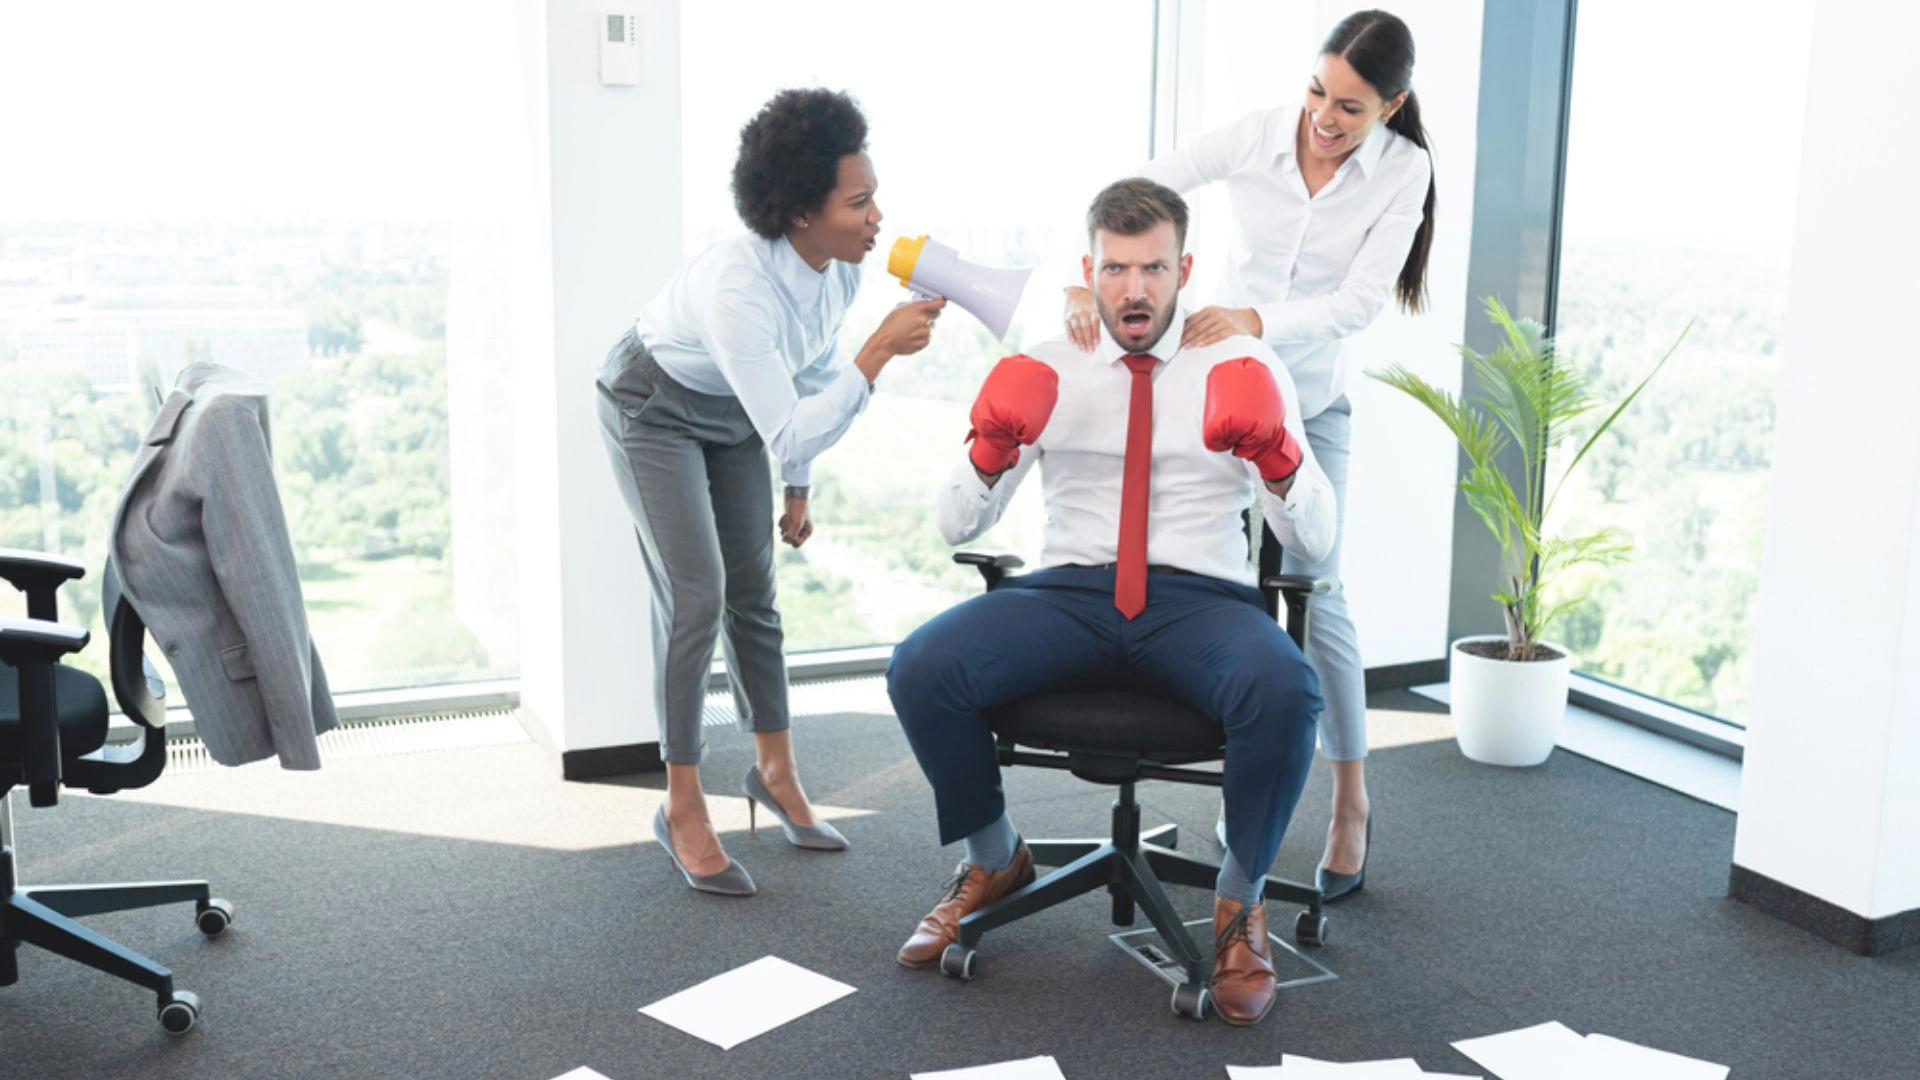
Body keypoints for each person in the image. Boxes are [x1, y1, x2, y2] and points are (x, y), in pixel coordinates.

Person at [886, 178, 1334, 1026]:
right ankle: (996, 860)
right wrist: (989, 450)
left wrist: (1275, 456)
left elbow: (1314, 540)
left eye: (1154, 269)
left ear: (1184, 269)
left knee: (1285, 689)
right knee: (922, 666)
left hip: (1200, 601)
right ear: (1090, 268)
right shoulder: (1050, 359)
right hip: (1072, 592)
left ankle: (1240, 907)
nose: (1135, 289)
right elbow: (955, 520)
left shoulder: (1241, 363)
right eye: (1117, 268)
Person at [1062, 9, 1435, 902]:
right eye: (1317, 91)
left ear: (1393, 104)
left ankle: (1349, 800)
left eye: (1350, 106)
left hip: (1311, 400)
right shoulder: (1262, 134)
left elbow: (1356, 304)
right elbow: (1140, 186)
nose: (1324, 117)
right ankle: (1248, 788)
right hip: (1221, 391)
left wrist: (1258, 321)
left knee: (1317, 587)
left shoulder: (1404, 172)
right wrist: (1094, 273)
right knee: (1225, 586)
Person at [596, 88, 944, 897]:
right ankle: (681, 807)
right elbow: (797, 413)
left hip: (738, 415)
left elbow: (809, 377)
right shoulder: (737, 288)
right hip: (654, 407)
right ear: (797, 212)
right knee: (697, 596)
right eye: (858, 203)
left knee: (755, 592)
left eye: (873, 196)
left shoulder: (838, 275)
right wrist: (880, 354)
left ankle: (776, 773)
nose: (877, 217)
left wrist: (798, 487)